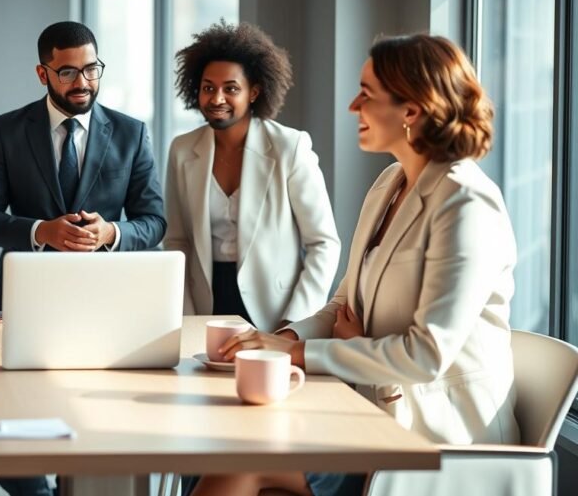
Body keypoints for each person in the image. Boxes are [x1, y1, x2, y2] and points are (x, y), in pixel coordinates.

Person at [194, 34, 520, 496]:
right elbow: (345, 301)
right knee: (241, 450)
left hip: (434, 435)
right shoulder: (390, 182)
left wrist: (299, 354)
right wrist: (277, 341)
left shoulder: (466, 204)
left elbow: (423, 357)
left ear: (411, 110)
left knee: (244, 466)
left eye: (366, 94)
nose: (352, 106)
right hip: (370, 410)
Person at [0, 21, 167, 309]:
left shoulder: (131, 134)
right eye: (67, 72)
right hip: (25, 293)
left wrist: (110, 233)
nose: (82, 83)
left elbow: (154, 222)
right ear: (42, 74)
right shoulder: (7, 131)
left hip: (107, 296)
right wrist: (41, 231)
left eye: (91, 69)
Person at [164, 22, 340, 330]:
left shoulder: (289, 148)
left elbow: (323, 243)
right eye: (208, 88)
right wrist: (186, 316)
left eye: (231, 88)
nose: (217, 98)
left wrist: (295, 321)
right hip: (204, 304)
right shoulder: (182, 150)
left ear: (254, 92)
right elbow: (177, 241)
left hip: (275, 310)